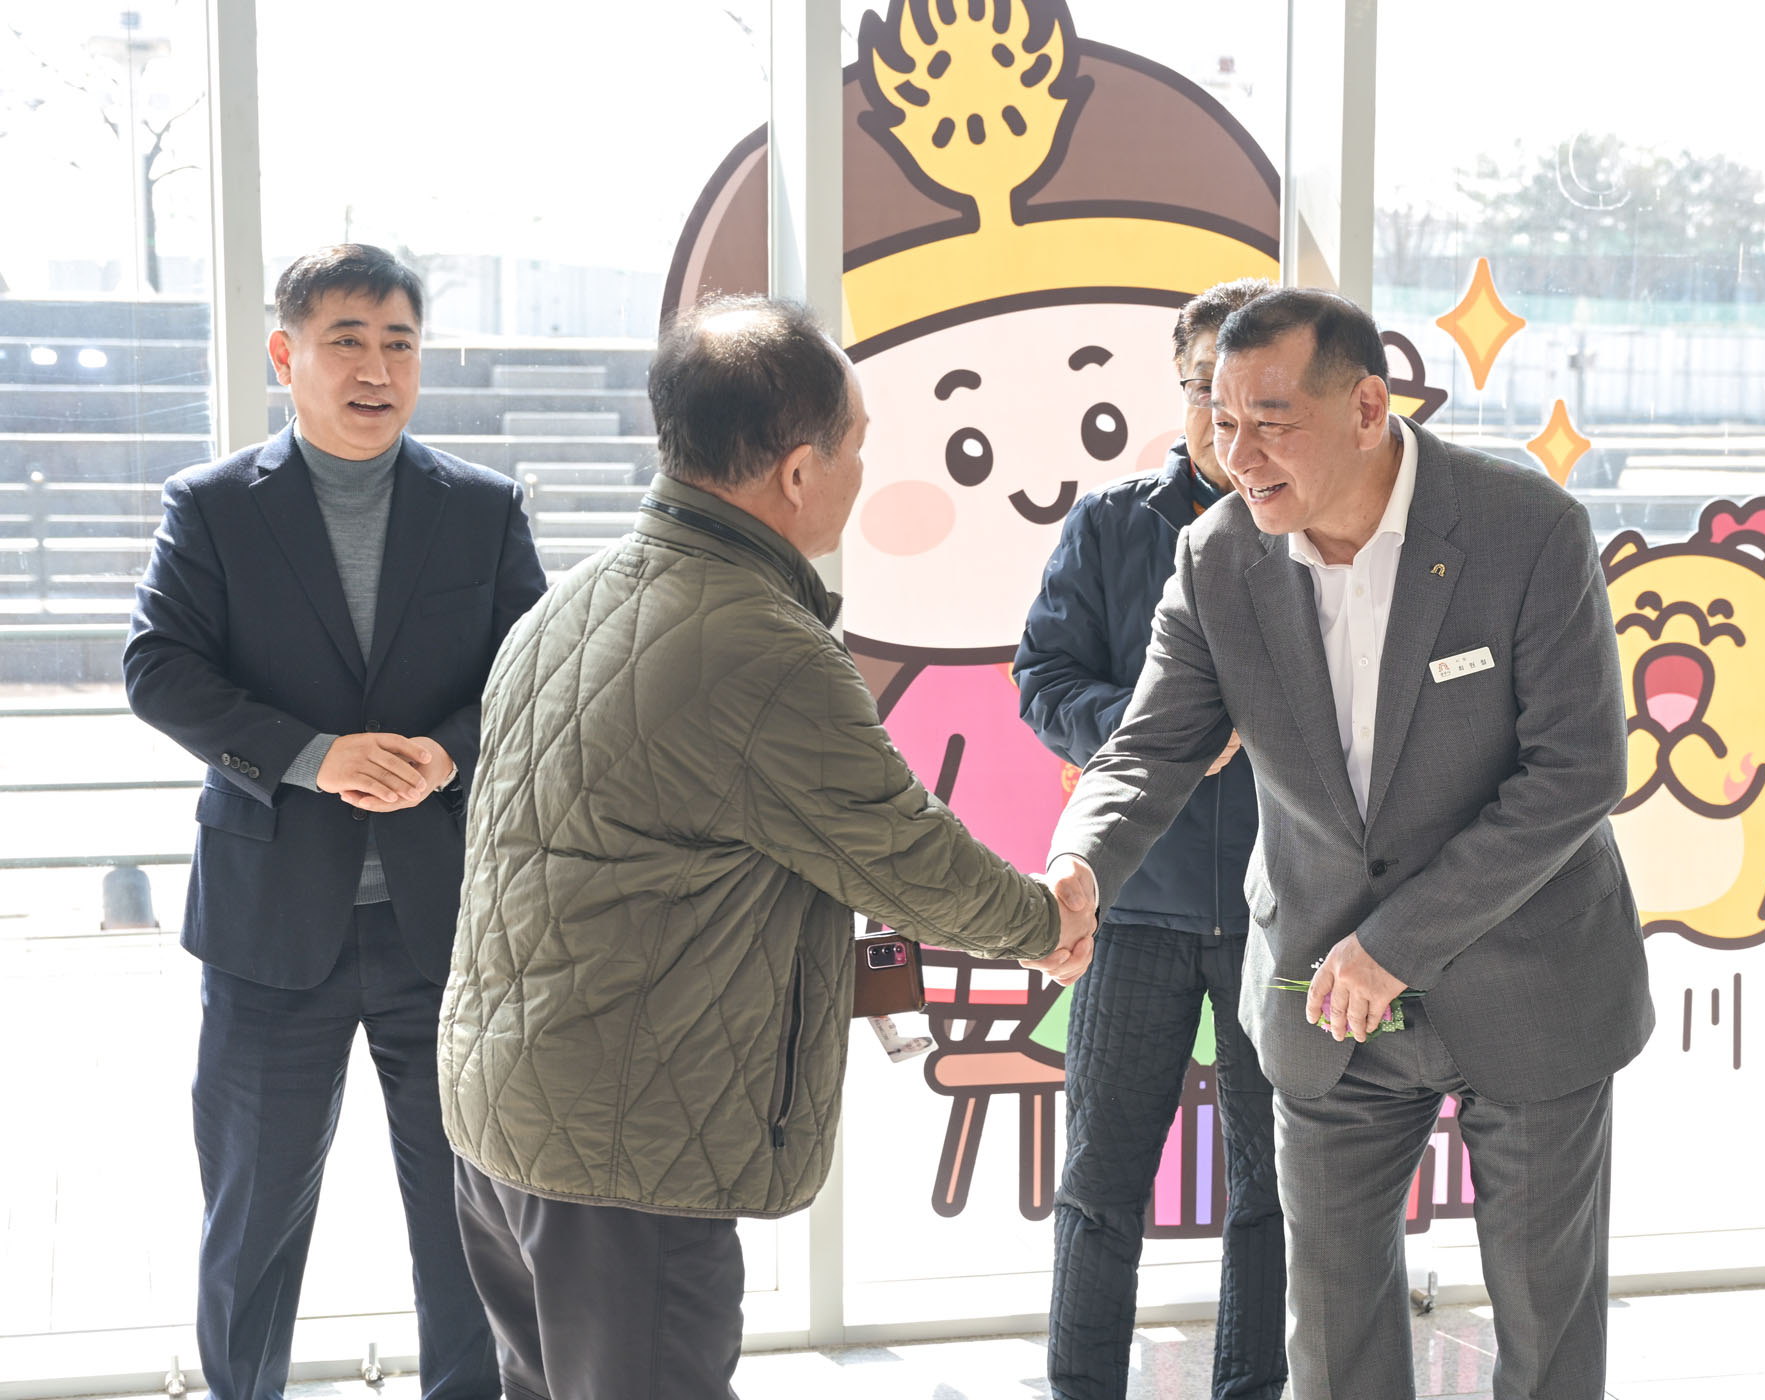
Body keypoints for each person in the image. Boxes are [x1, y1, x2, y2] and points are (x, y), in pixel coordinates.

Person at [438, 294, 1096, 1400]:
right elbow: (905, 852)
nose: (863, 475)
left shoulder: (573, 601)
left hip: (508, 1110)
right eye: (857, 448)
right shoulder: (760, 646)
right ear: (798, 472)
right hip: (624, 1148)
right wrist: (1045, 922)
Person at [1045, 288, 1654, 1400]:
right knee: (1329, 1341)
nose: (1238, 454)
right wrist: (1079, 865)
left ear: (1368, 407)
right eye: (1222, 419)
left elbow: (1578, 770)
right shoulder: (1216, 557)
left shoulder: (1523, 529)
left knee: (1546, 1331)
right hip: (1324, 997)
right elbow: (1148, 749)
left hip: (1530, 984)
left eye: (1271, 421)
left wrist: (1396, 944)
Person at [124, 244, 545, 1400]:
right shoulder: (213, 507)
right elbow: (158, 670)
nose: (376, 369)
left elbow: (534, 674)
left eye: (399, 343)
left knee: (471, 1220)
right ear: (285, 353)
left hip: (444, 931)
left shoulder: (482, 506)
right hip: (270, 933)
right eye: (346, 341)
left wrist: (445, 752)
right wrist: (313, 757)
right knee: (251, 1220)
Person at [1015, 277, 1285, 1400]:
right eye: (1201, 388)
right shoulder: (1114, 524)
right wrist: (1151, 725)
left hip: (1286, 912)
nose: (1222, 418)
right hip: (1132, 903)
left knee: (1274, 1190)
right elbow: (1042, 679)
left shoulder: (1323, 531)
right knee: (1099, 1182)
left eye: (1249, 394)